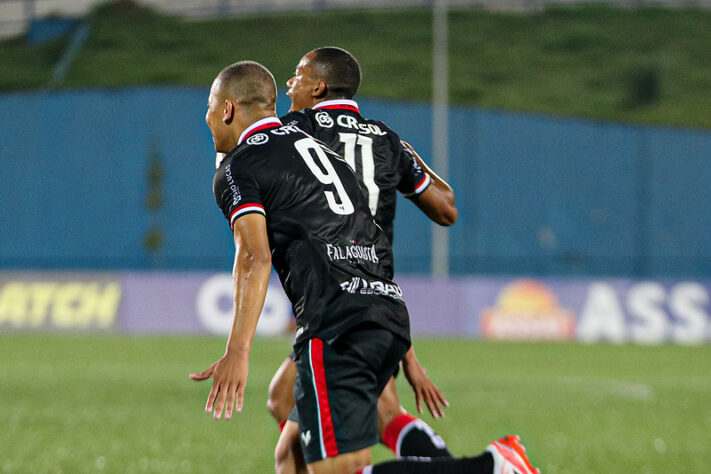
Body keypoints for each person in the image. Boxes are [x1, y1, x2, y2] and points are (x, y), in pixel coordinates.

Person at [192, 60, 540, 474]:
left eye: (211, 106)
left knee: (346, 465)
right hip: (384, 312)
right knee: (291, 450)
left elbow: (255, 256)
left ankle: (491, 466)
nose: (207, 116)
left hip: (336, 326)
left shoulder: (246, 162)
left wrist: (237, 351)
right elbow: (377, 232)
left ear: (228, 109)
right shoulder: (340, 151)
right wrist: (405, 350)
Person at [269, 46, 457, 473]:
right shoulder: (386, 140)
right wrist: (404, 153)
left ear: (318, 86)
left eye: (297, 75)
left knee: (363, 432)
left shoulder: (290, 133)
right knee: (285, 408)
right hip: (374, 296)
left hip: (338, 306)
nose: (289, 84)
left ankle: (485, 467)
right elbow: (446, 208)